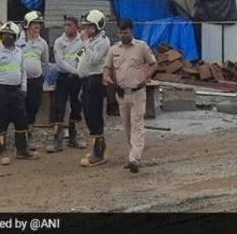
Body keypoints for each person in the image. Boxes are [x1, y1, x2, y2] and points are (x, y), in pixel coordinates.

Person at [103, 19, 157, 174]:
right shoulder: (114, 50)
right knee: (127, 126)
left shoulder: (141, 47)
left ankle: (134, 157)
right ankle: (133, 153)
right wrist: (107, 78)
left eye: (125, 32)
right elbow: (107, 68)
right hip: (121, 93)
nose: (123, 36)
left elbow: (154, 64)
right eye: (120, 33)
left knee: (137, 123)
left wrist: (145, 78)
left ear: (131, 31)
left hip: (138, 92)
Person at [0, 22, 38, 165]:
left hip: (16, 91)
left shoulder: (19, 51)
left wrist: (24, 88)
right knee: (1, 121)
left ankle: (21, 150)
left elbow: (23, 71)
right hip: (1, 90)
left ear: (15, 37)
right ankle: (3, 152)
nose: (7, 37)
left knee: (21, 120)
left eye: (10, 35)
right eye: (4, 34)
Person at [76, 9, 111, 167]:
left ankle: (98, 152)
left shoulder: (102, 41)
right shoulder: (92, 40)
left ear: (98, 26)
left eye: (89, 26)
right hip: (86, 81)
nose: (85, 30)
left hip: (95, 80)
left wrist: (84, 42)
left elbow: (93, 60)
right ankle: (98, 148)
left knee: (94, 114)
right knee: (88, 114)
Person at [47, 16, 85, 153]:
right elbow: (60, 61)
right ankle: (57, 139)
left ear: (76, 26)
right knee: (59, 106)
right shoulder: (59, 41)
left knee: (76, 105)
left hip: (77, 79)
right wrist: (75, 71)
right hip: (63, 77)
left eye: (70, 25)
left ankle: (73, 138)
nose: (67, 27)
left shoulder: (82, 41)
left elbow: (83, 57)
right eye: (65, 25)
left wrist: (80, 72)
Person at [16, 11, 49, 150]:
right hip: (21, 82)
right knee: (20, 110)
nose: (38, 27)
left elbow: (45, 62)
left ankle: (28, 136)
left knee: (33, 108)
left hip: (36, 81)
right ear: (27, 25)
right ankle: (20, 141)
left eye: (39, 24)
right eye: (35, 24)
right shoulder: (18, 42)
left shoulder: (42, 43)